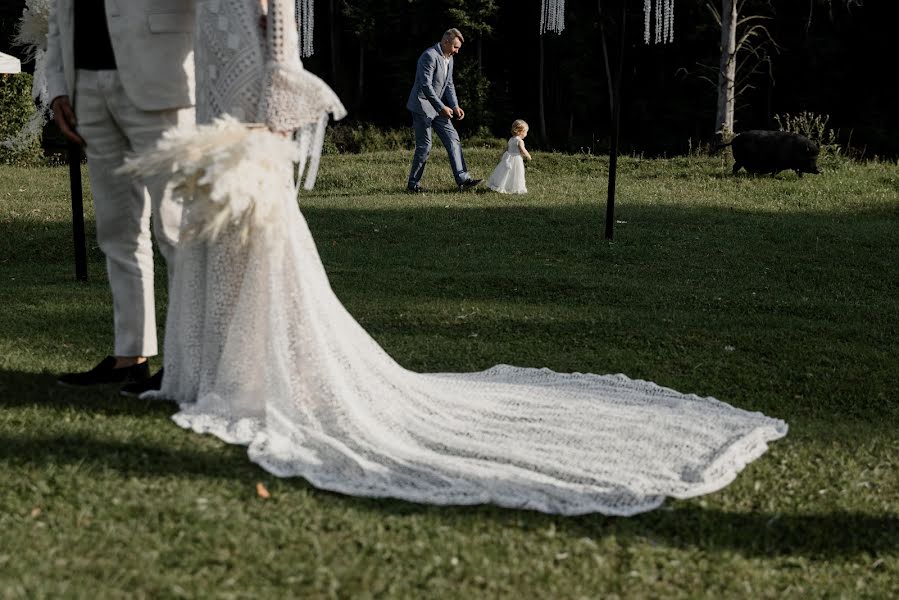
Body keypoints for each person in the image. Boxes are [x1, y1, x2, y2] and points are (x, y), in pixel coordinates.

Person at [134, 0, 787, 516]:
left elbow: (280, 35)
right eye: (453, 44)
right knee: (222, 229)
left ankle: (261, 367)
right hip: (219, 91)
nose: (452, 49)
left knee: (257, 233)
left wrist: (276, 113)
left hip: (249, 95)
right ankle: (212, 368)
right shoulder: (426, 57)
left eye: (455, 46)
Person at [47, 0, 196, 394]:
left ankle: (189, 360)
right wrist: (57, 86)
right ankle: (130, 357)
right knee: (117, 230)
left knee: (177, 228)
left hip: (162, 80)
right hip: (87, 88)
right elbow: (59, 16)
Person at [405, 29, 482, 193]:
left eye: (458, 48)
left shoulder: (450, 58)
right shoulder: (429, 56)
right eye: (455, 47)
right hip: (422, 106)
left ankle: (463, 180)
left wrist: (454, 105)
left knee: (453, 139)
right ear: (446, 42)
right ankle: (413, 185)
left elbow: (449, 84)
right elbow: (426, 86)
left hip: (438, 107)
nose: (457, 51)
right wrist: (441, 107)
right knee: (425, 146)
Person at [487, 119, 532, 194]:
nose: (526, 134)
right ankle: (514, 188)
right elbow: (522, 150)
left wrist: (502, 155)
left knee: (506, 173)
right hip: (516, 159)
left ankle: (503, 185)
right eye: (526, 132)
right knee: (516, 173)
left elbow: (507, 149)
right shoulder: (520, 141)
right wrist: (528, 156)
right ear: (521, 131)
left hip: (508, 158)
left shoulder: (511, 139)